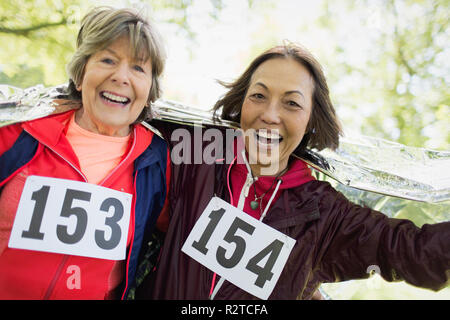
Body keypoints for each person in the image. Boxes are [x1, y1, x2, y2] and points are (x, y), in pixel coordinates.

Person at [136, 43, 449, 300]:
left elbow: (416, 253)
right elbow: (118, 120)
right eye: (258, 96)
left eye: (292, 104)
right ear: (242, 102)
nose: (270, 115)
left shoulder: (324, 215)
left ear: (312, 119)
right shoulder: (199, 153)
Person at [0, 6, 170, 299]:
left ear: (149, 90)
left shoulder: (159, 163)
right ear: (81, 75)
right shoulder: (17, 135)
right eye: (107, 59)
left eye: (138, 67)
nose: (121, 76)